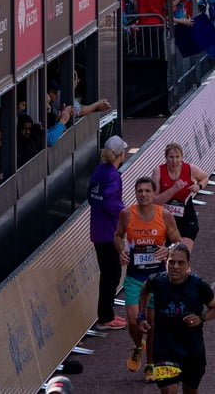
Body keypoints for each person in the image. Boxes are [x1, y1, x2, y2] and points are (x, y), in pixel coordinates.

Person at [120, 177, 183, 369]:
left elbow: (178, 242)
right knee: (133, 322)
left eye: (148, 191)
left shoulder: (163, 215)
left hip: (157, 279)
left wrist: (168, 250)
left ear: (154, 193)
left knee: (153, 324)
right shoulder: (126, 214)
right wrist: (120, 250)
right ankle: (139, 345)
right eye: (140, 191)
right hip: (134, 277)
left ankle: (150, 364)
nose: (144, 195)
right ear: (136, 193)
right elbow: (117, 236)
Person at [140, 240, 215, 394]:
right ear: (165, 262)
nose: (175, 267)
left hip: (192, 350)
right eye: (172, 262)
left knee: (190, 390)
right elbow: (144, 291)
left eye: (181, 263)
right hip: (164, 348)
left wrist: (201, 318)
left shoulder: (198, 285)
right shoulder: (156, 281)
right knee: (169, 391)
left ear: (188, 264)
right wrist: (141, 316)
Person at [88, 135, 129, 329]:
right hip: (108, 232)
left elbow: (91, 196)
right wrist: (126, 214)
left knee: (109, 272)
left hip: (97, 229)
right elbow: (111, 203)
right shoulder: (113, 175)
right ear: (120, 154)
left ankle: (106, 314)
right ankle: (106, 316)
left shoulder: (99, 170)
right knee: (111, 273)